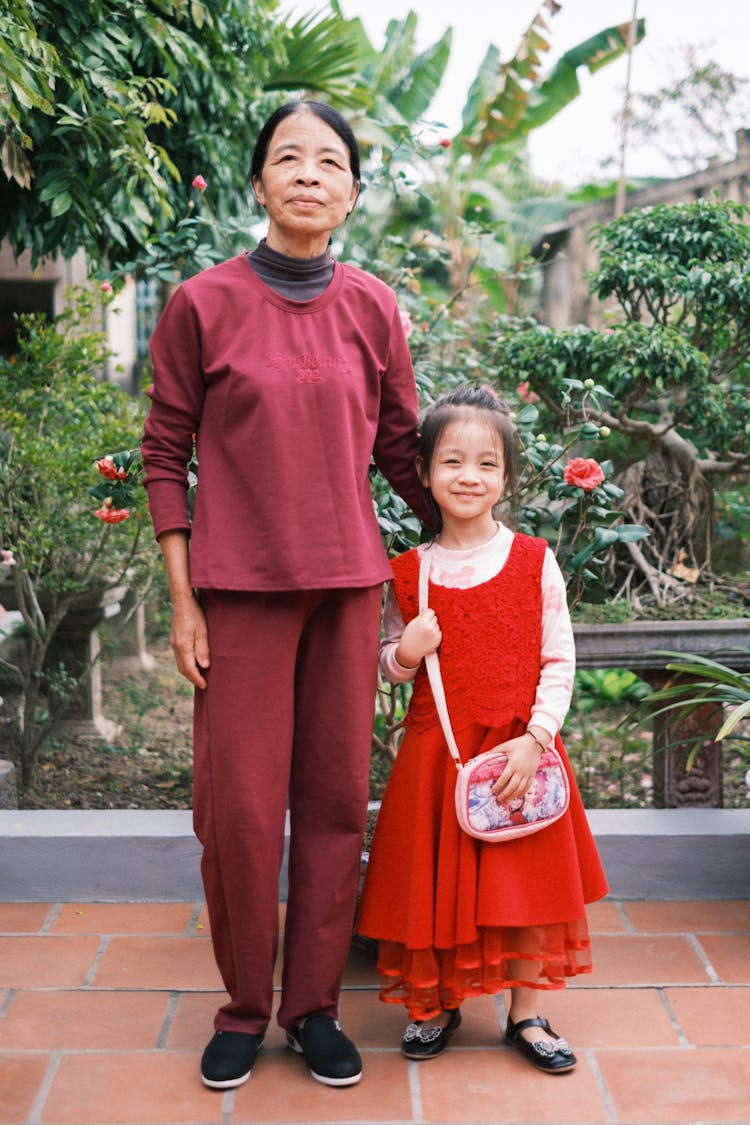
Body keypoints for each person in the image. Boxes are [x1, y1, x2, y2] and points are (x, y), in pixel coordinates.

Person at [141, 100, 431, 1091]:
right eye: (288, 158)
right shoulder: (201, 304)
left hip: (348, 592)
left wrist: (480, 544)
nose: (310, 173)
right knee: (240, 815)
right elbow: (164, 455)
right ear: (258, 183)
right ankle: (241, 1008)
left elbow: (401, 448)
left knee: (336, 805)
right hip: (239, 597)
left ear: (352, 192)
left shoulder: (373, 307)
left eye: (331, 161)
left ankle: (311, 1009)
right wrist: (184, 602)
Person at [356, 384, 609, 1073]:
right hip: (437, 755)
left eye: (487, 463)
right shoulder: (410, 572)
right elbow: (386, 665)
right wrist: (406, 651)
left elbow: (561, 655)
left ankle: (526, 1012)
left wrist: (537, 736)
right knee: (432, 884)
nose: (469, 476)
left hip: (520, 751)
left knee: (525, 883)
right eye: (453, 461)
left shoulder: (533, 558)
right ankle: (435, 1002)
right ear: (426, 472)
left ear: (506, 475)